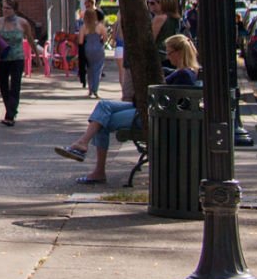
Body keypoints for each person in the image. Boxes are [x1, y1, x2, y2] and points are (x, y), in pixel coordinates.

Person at [55, 33, 199, 185]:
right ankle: (83, 145)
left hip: (151, 115)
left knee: (101, 121)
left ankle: (95, 166)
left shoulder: (184, 75)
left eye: (169, 52)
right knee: (103, 106)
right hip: (147, 109)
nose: (168, 57)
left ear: (178, 52)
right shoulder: (184, 71)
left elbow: (173, 103)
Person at [0, 0, 36, 126]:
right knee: (3, 86)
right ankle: (10, 109)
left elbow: (30, 39)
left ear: (14, 9)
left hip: (17, 58)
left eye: (8, 8)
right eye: (4, 8)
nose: (5, 11)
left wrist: (37, 57)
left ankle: (10, 116)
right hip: (2, 58)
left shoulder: (22, 23)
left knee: (15, 86)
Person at [79, 4, 108, 98]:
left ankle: (90, 89)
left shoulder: (83, 27)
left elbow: (80, 41)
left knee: (90, 69)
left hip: (88, 49)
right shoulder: (100, 26)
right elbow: (105, 38)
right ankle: (95, 89)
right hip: (98, 49)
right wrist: (101, 42)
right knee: (98, 69)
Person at [153, 0, 183, 68]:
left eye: (159, 2)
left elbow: (151, 39)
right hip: (174, 55)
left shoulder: (160, 18)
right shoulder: (178, 19)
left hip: (161, 56)